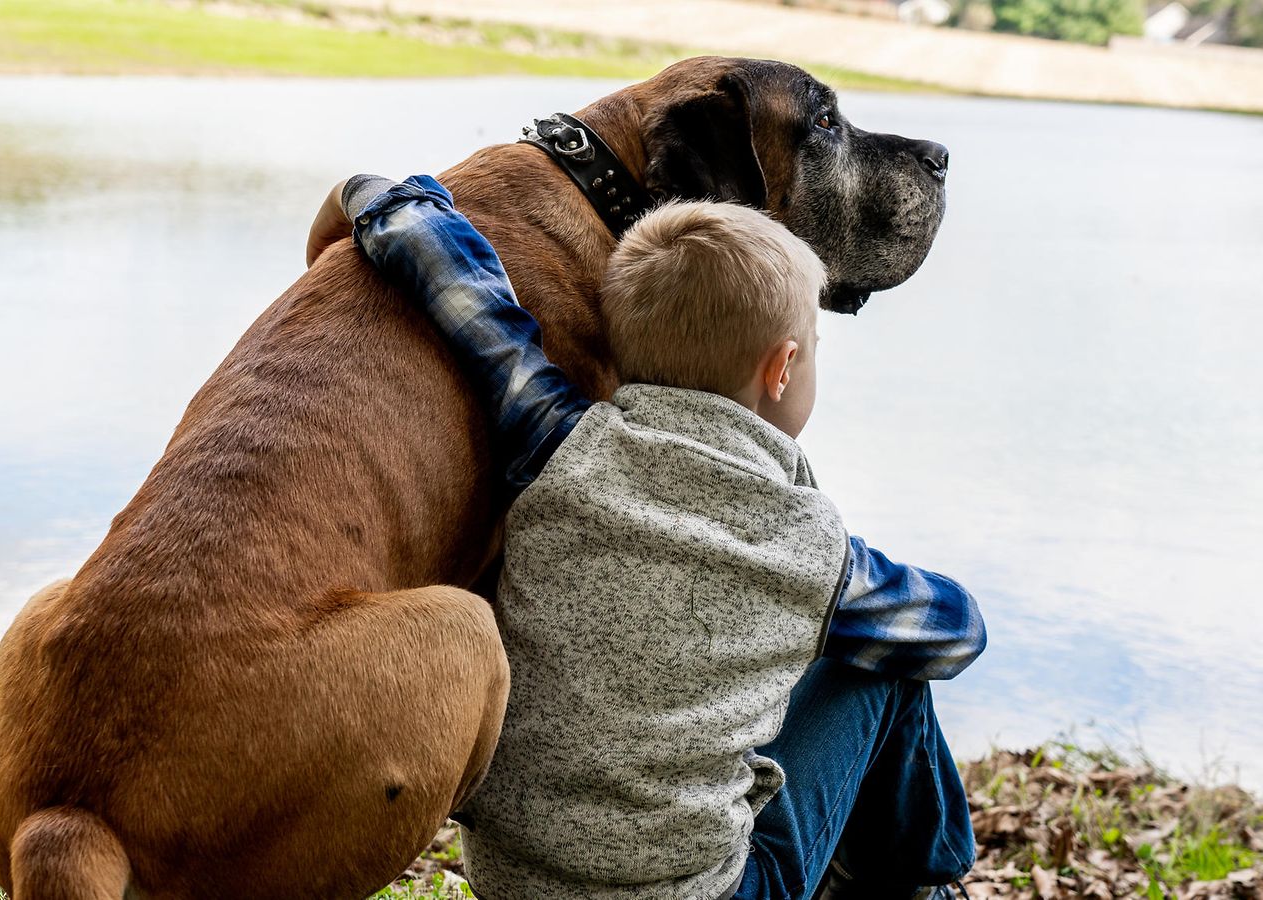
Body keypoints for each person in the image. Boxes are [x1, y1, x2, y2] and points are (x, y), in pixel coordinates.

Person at [329, 173, 987, 900]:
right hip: (714, 893)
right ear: (784, 367)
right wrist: (824, 600)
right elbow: (955, 632)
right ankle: (929, 885)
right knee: (886, 671)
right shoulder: (804, 552)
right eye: (815, 346)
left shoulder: (558, 442)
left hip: (518, 886)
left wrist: (383, 199)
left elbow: (475, 307)